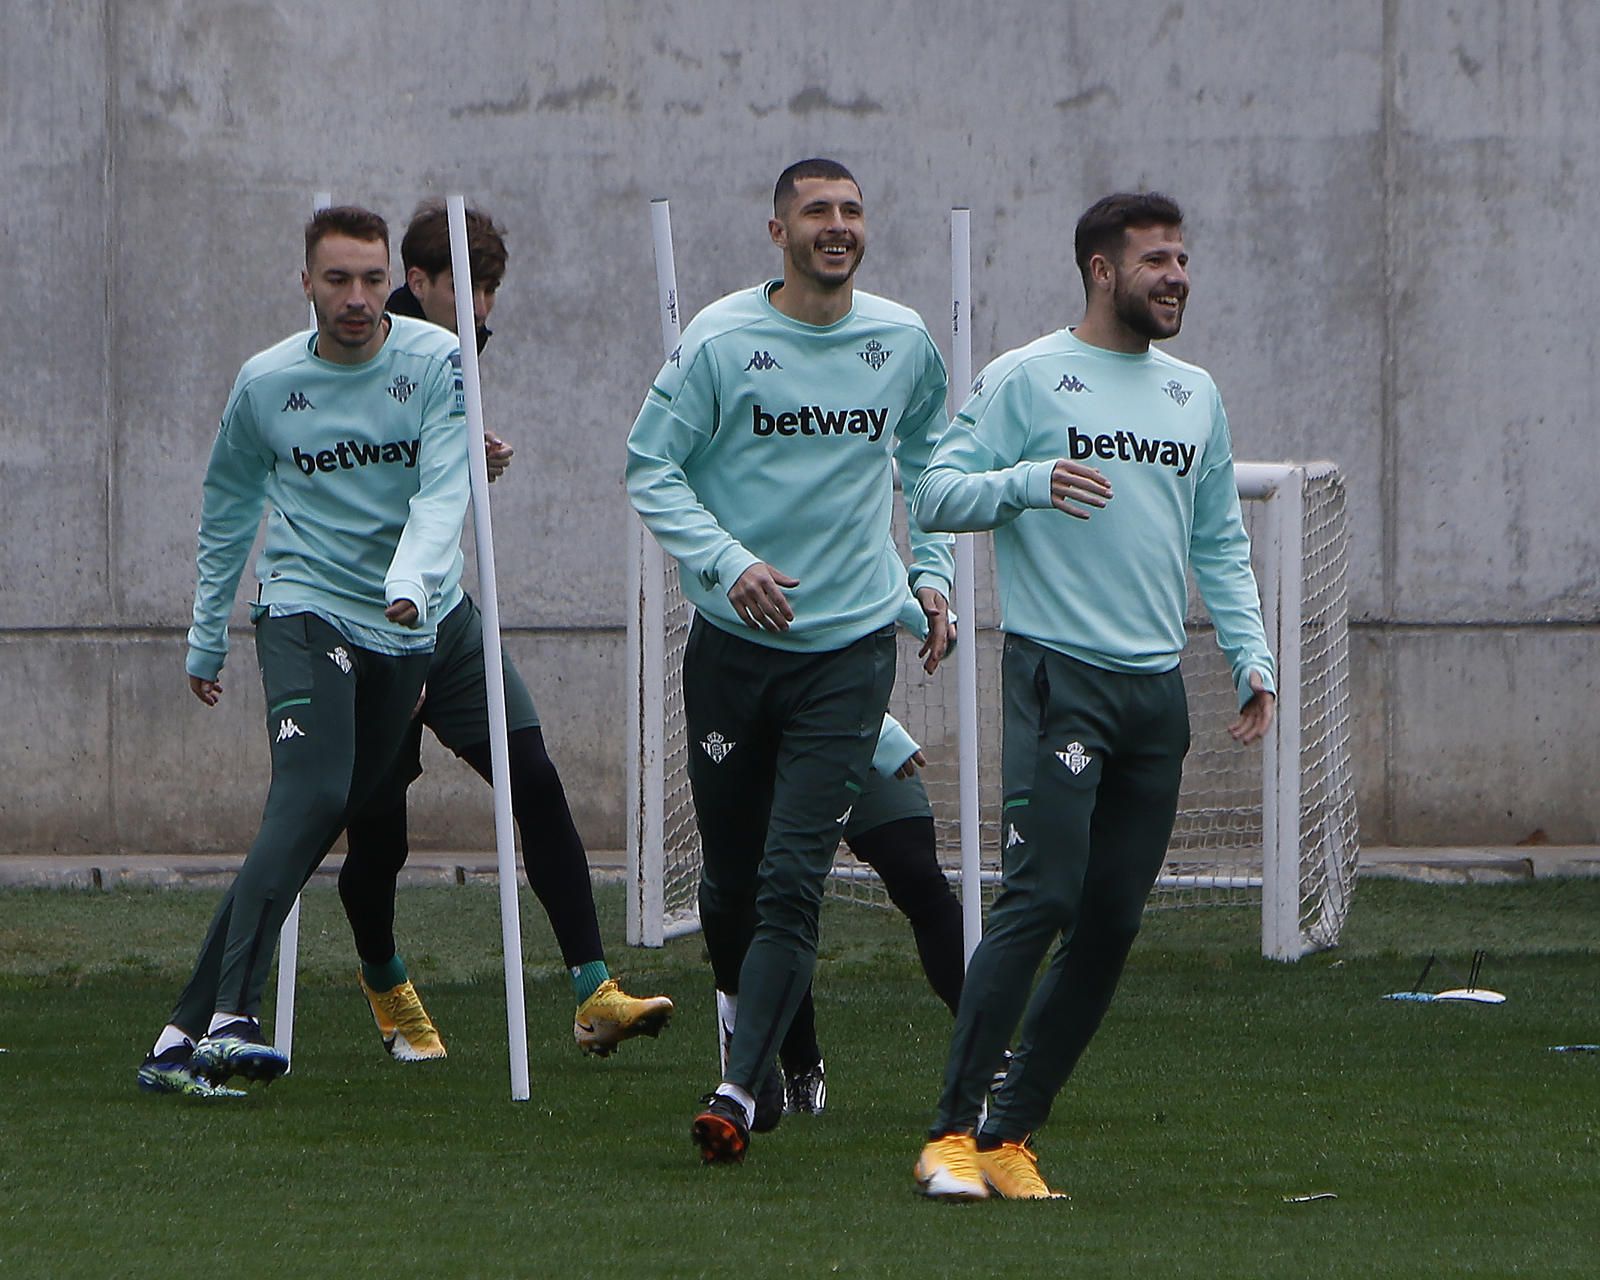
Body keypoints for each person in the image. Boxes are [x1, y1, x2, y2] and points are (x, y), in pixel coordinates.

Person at [908, 192, 1277, 1200]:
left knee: (1111, 920)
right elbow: (934, 492)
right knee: (1041, 897)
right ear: (1100, 270)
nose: (1176, 276)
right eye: (1156, 260)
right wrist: (1026, 481)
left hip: (1154, 693)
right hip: (1055, 677)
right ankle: (947, 1133)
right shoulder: (1026, 379)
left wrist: (1251, 655)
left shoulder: (1192, 393)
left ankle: (1009, 1133)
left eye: (1183, 259)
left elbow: (1217, 539)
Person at [626, 158, 954, 1163]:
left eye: (853, 209)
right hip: (732, 650)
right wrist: (729, 564)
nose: (838, 225)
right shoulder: (722, 340)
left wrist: (929, 576)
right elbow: (650, 467)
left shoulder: (902, 341)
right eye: (818, 211)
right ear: (778, 231)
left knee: (791, 877)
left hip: (848, 655)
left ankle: (736, 1087)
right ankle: (762, 1044)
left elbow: (932, 463)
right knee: (726, 886)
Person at [137, 205, 472, 1097]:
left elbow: (446, 489)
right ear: (306, 284)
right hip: (301, 608)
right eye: (337, 281)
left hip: (405, 621)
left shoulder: (439, 362)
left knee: (310, 823)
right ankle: (235, 1018)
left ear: (390, 279)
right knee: (312, 791)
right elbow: (227, 510)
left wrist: (412, 581)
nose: (356, 299)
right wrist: (206, 635)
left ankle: (179, 1034)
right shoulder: (265, 382)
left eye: (371, 279)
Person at [334, 201, 673, 1063]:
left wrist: (461, 457)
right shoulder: (367, 349)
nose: (486, 307)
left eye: (492, 287)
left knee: (536, 778)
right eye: (471, 287)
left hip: (446, 617)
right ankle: (383, 981)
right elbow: (346, 465)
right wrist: (444, 459)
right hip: (367, 621)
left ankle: (593, 989)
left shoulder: (460, 353)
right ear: (420, 283)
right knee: (379, 833)